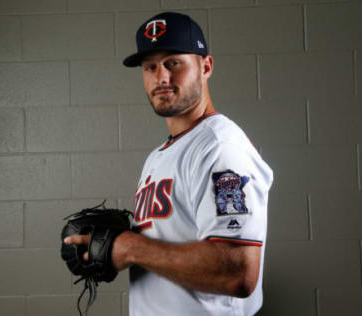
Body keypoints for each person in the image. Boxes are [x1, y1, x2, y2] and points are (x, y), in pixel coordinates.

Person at [64, 11, 273, 316]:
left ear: (206, 66)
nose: (161, 77)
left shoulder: (219, 146)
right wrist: (121, 245)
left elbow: (237, 271)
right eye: (150, 67)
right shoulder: (160, 155)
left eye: (173, 63)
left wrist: (130, 247)